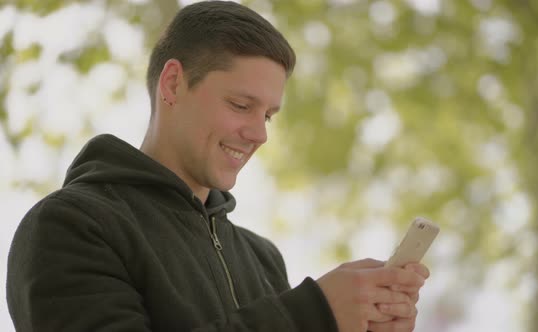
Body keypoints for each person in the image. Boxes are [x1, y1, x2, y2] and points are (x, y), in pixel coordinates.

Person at [6, 1, 430, 331]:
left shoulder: (263, 259)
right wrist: (311, 315)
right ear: (173, 83)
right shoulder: (70, 226)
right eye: (241, 105)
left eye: (267, 115)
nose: (260, 134)